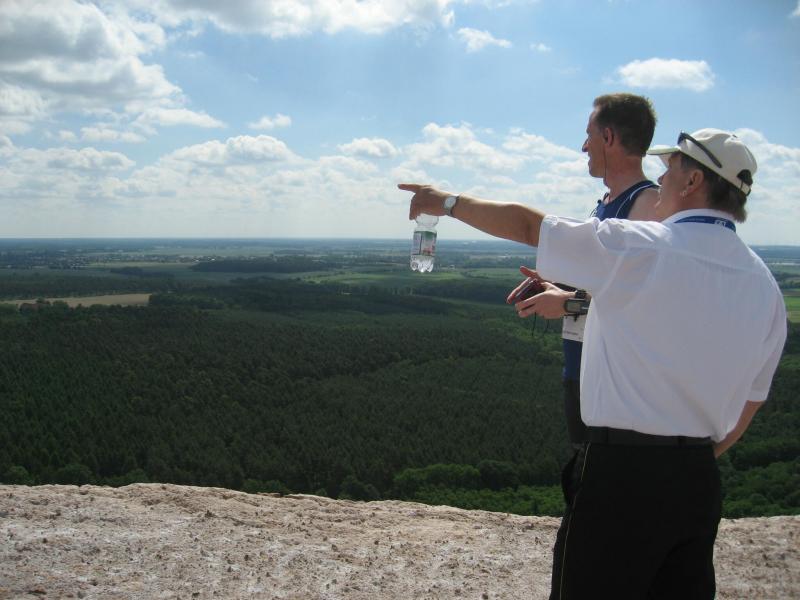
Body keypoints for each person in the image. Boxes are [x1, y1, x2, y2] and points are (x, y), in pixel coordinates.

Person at [398, 127, 787, 598]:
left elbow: (529, 226)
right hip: (699, 484)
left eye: (670, 169)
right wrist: (689, 460)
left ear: (693, 182)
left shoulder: (640, 246)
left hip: (621, 477)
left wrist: (446, 202)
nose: (661, 180)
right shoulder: (765, 286)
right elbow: (751, 402)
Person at [513, 93, 660, 447]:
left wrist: (568, 304)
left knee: (605, 472)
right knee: (582, 468)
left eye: (588, 136)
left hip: (616, 382)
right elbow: (604, 284)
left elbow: (644, 302)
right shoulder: (605, 206)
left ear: (608, 137)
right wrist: (553, 284)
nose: (583, 147)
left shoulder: (646, 205)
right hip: (583, 370)